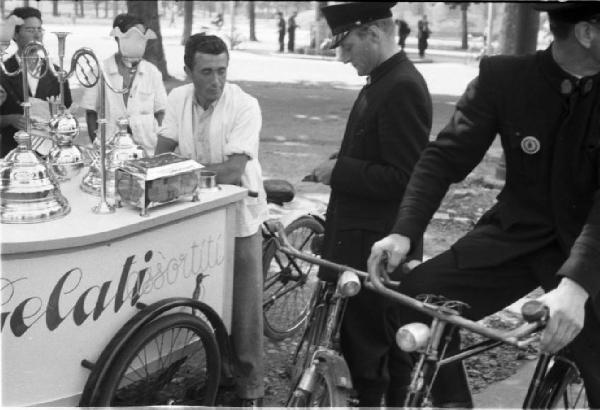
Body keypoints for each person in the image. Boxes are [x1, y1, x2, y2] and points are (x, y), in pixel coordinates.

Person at [368, 2, 600, 408]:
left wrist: (577, 287)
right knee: (421, 300)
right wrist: (403, 232)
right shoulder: (505, 77)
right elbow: (445, 156)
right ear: (586, 33)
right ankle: (454, 403)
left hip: (591, 251)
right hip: (516, 236)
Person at [310, 2, 432, 406]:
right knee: (385, 351)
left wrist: (340, 171)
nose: (343, 57)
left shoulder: (401, 86)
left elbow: (404, 179)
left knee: (370, 354)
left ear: (374, 34)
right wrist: (341, 164)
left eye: (347, 45)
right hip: (367, 242)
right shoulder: (386, 80)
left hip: (376, 248)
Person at [155, 33, 268, 407]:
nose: (216, 80)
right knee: (206, 299)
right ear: (188, 71)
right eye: (206, 71)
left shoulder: (245, 105)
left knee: (244, 305)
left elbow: (234, 171)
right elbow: (162, 152)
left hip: (238, 214)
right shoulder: (176, 98)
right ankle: (219, 376)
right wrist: (164, 170)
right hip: (195, 213)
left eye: (222, 70)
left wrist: (178, 172)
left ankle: (251, 388)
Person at [80, 13, 167, 156]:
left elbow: (161, 111)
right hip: (110, 149)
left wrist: (157, 143)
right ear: (118, 38)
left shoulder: (152, 72)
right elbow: (91, 112)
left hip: (146, 148)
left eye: (141, 38)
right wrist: (97, 145)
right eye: (132, 37)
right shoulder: (100, 71)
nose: (137, 42)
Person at [0, 6, 72, 157]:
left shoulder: (56, 73)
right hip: (12, 155)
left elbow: (67, 111)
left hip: (49, 155)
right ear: (15, 34)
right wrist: (10, 119)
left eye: (40, 29)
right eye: (30, 30)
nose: (37, 35)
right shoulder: (3, 71)